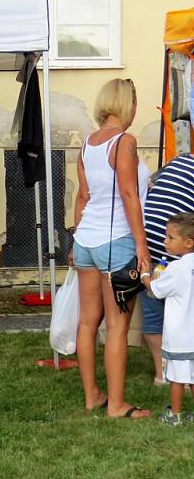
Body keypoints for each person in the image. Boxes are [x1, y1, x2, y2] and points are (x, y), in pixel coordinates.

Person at [71, 78, 151, 419]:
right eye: (134, 102)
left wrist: (75, 240)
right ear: (124, 105)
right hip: (115, 241)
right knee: (117, 326)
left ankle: (92, 396)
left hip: (86, 239)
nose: (136, 109)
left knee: (88, 323)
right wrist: (142, 246)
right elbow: (130, 196)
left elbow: (82, 196)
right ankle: (116, 405)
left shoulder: (87, 144)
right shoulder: (125, 142)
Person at [140, 153, 194, 385]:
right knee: (181, 314)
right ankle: (171, 370)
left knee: (155, 313)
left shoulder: (178, 160)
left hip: (151, 248)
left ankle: (162, 373)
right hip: (174, 253)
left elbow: (150, 184)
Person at [140, 213, 194, 425]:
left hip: (179, 335)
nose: (165, 241)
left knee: (176, 376)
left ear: (188, 243)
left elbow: (155, 290)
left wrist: (146, 275)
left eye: (171, 238)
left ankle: (175, 415)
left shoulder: (175, 268)